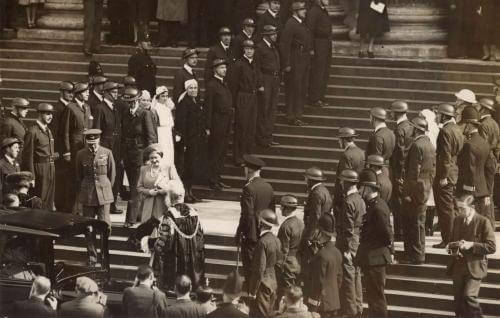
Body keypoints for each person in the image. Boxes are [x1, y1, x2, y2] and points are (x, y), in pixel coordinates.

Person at [137, 182, 206, 291]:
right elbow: (200, 241)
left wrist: (149, 242)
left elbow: (165, 243)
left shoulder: (170, 215)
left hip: (176, 261)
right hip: (192, 260)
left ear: (169, 197)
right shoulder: (194, 214)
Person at [447, 193, 496, 318]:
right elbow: (454, 240)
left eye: (462, 208)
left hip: (475, 266)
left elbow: (491, 247)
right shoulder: (457, 220)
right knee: (458, 302)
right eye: (458, 209)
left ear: (472, 207)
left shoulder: (483, 222)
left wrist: (472, 245)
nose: (460, 212)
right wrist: (451, 246)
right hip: (458, 266)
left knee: (469, 296)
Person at [355, 168, 393, 318]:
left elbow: (386, 235)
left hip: (375, 259)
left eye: (360, 187)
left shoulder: (377, 207)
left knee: (376, 299)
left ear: (368, 188)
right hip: (372, 259)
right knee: (373, 298)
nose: (358, 190)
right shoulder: (374, 204)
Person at [75, 129, 115, 265]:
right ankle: (92, 256)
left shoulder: (107, 152)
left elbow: (112, 174)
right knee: (88, 227)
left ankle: (105, 255)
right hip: (88, 195)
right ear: (86, 141)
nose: (92, 146)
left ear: (99, 140)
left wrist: (106, 187)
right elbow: (78, 176)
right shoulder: (80, 154)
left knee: (105, 225)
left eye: (94, 142)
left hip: (104, 193)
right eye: (89, 143)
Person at [401, 117, 436, 265]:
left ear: (416, 129)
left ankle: (414, 255)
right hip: (425, 188)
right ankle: (419, 254)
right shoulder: (429, 144)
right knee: (419, 224)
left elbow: (413, 173)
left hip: (415, 191)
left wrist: (408, 193)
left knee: (413, 224)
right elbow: (433, 169)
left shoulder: (416, 146)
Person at [121, 88, 157, 227]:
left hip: (140, 155)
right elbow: (123, 136)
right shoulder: (125, 114)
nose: (130, 104)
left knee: (135, 188)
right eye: (128, 102)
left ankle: (130, 219)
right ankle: (139, 215)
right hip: (128, 155)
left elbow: (151, 137)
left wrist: (149, 156)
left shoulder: (144, 114)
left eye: (132, 101)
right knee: (133, 186)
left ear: (137, 100)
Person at [235, 154, 274, 281]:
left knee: (250, 270)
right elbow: (271, 212)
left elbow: (247, 214)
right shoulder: (269, 187)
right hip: (265, 233)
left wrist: (240, 232)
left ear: (249, 170)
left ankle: (252, 298)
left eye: (245, 168)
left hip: (251, 235)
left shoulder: (248, 188)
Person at [433, 103, 464, 249]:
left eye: (439, 114)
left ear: (444, 115)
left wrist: (443, 176)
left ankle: (448, 240)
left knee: (445, 209)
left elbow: (445, 155)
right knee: (452, 207)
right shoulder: (457, 129)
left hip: (446, 174)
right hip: (454, 172)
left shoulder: (445, 131)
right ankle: (454, 238)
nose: (437, 116)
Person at [335, 169, 364, 318]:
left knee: (348, 276)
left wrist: (345, 248)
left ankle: (351, 311)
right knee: (356, 274)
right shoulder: (359, 199)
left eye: (342, 181)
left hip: (348, 242)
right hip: (357, 241)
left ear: (346, 183)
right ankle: (358, 306)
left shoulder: (348, 202)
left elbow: (347, 228)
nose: (340, 184)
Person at [230, 39, 263, 166]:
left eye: (252, 49)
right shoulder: (238, 64)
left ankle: (247, 155)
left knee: (250, 128)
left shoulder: (254, 63)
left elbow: (258, 78)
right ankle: (238, 157)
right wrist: (234, 103)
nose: (250, 51)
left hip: (253, 97)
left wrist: (259, 85)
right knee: (241, 127)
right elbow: (233, 85)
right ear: (243, 50)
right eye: (247, 49)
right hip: (242, 97)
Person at [457, 106, 492, 227]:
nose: (462, 127)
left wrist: (467, 192)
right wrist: (487, 192)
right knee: (478, 226)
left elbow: (469, 170)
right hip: (482, 191)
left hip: (469, 192)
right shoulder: (484, 143)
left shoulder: (468, 145)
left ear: (469, 125)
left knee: (468, 226)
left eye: (463, 124)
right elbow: (489, 169)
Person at [62, 82, 93, 214]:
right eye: (85, 92)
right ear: (79, 93)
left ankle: (81, 208)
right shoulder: (70, 108)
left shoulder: (87, 107)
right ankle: (72, 210)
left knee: (82, 177)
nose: (88, 94)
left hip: (85, 149)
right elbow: (65, 132)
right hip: (74, 150)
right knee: (74, 179)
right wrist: (67, 151)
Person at [93, 81, 124, 214]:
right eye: (113, 91)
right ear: (105, 93)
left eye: (117, 91)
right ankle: (104, 204)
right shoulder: (100, 108)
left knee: (116, 175)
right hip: (105, 147)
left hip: (117, 147)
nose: (116, 94)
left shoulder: (115, 108)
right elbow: (97, 129)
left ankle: (112, 203)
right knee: (105, 175)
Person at [280, 2, 312, 126]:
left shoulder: (301, 23)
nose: (305, 11)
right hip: (294, 61)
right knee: (294, 89)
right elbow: (284, 44)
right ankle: (291, 116)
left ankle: (298, 116)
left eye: (304, 8)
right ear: (295, 11)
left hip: (303, 60)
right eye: (302, 9)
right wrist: (286, 63)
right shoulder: (290, 24)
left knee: (301, 88)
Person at [175, 79, 207, 203]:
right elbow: (181, 124)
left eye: (195, 88)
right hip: (189, 140)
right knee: (187, 167)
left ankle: (190, 191)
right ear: (186, 90)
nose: (193, 90)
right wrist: (184, 142)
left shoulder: (196, 102)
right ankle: (185, 193)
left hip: (197, 139)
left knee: (192, 166)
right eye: (191, 88)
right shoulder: (184, 103)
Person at [307, 213, 343, 317]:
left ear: (320, 233)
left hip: (320, 305)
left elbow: (318, 282)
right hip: (334, 302)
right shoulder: (337, 252)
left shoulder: (321, 255)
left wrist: (313, 305)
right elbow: (339, 278)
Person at [205, 58, 233, 190]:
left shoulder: (224, 84)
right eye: (222, 68)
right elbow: (208, 106)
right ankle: (212, 179)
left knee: (222, 151)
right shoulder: (212, 85)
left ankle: (218, 177)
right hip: (217, 121)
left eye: (225, 67)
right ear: (215, 69)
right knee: (215, 151)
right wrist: (208, 126)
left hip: (225, 121)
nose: (224, 70)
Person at [21, 103, 56, 210]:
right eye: (47, 114)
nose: (50, 116)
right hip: (39, 169)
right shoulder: (33, 131)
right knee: (39, 200)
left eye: (51, 114)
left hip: (50, 168)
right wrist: (32, 177)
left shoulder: (48, 130)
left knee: (49, 200)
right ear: (40, 114)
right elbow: (28, 156)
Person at [248, 208, 281, 318]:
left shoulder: (262, 242)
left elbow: (259, 269)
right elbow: (279, 261)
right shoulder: (276, 240)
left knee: (260, 314)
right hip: (273, 280)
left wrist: (253, 291)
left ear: (261, 223)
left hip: (262, 283)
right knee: (269, 313)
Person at [389, 100, 413, 241]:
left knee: (397, 203)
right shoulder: (410, 126)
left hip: (399, 171)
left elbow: (399, 153)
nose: (391, 114)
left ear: (396, 113)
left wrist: (398, 174)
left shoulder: (399, 129)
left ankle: (400, 232)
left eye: (392, 112)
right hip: (408, 170)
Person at [137, 144, 180, 223]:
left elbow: (177, 185)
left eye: (156, 157)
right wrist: (149, 192)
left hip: (163, 205)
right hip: (148, 206)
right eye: (151, 158)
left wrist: (165, 190)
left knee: (162, 229)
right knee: (147, 230)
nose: (153, 160)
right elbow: (139, 188)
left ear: (161, 157)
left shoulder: (168, 167)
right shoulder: (144, 169)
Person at [255, 24, 281, 148]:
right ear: (266, 35)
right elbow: (257, 67)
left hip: (274, 80)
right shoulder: (260, 48)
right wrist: (260, 84)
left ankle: (268, 137)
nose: (275, 36)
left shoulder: (272, 47)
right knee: (264, 110)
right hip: (265, 80)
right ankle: (262, 138)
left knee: (272, 109)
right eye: (273, 34)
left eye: (275, 33)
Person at [276, 195, 304, 302]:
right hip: (298, 262)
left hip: (288, 264)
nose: (280, 209)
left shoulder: (285, 226)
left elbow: (283, 250)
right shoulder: (300, 223)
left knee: (288, 295)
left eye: (281, 207)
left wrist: (279, 267)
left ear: (286, 208)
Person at [478, 98, 499, 229]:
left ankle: (487, 226)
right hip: (492, 160)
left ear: (484, 109)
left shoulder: (483, 125)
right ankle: (489, 225)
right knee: (488, 195)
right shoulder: (494, 123)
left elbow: (482, 146)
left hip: (485, 161)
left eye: (479, 107)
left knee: (484, 194)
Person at [306, 0, 332, 108]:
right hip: (318, 44)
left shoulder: (323, 10)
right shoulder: (314, 11)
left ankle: (320, 97)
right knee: (318, 72)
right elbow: (310, 30)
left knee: (324, 71)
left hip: (325, 44)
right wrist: (311, 48)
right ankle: (314, 98)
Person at [54, 81, 74, 212]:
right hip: (61, 153)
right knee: (61, 182)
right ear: (62, 92)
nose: (71, 95)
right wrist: (56, 150)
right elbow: (55, 132)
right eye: (68, 92)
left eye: (72, 92)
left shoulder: (71, 107)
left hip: (69, 150)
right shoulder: (58, 108)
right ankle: (61, 207)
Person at [334, 127, 365, 210]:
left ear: (343, 140)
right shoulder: (361, 152)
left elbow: (343, 181)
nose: (338, 141)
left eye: (339, 139)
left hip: (346, 198)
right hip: (357, 195)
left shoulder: (346, 155)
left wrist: (338, 201)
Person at [302, 167, 332, 241]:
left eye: (306, 179)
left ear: (311, 180)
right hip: (322, 232)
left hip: (316, 233)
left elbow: (315, 216)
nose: (305, 180)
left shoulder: (316, 193)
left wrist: (309, 236)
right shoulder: (324, 190)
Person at [365, 107, 395, 176]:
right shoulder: (391, 133)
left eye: (370, 117)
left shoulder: (377, 136)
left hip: (378, 173)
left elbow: (376, 159)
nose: (369, 119)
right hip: (388, 172)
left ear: (374, 119)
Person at [151, 86, 175, 164]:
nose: (165, 98)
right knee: (163, 154)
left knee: (169, 154)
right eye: (163, 96)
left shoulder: (167, 108)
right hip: (161, 133)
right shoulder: (156, 108)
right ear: (158, 97)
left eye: (166, 96)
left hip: (168, 133)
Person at [128, 33, 157, 97]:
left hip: (150, 90)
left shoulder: (148, 57)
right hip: (141, 91)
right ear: (139, 44)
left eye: (149, 41)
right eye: (146, 41)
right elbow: (133, 77)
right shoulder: (135, 58)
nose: (148, 43)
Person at [0, 138, 21, 203]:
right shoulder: (1, 165)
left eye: (18, 147)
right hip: (6, 201)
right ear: (7, 149)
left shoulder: (16, 164)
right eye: (15, 147)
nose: (18, 150)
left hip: (17, 198)